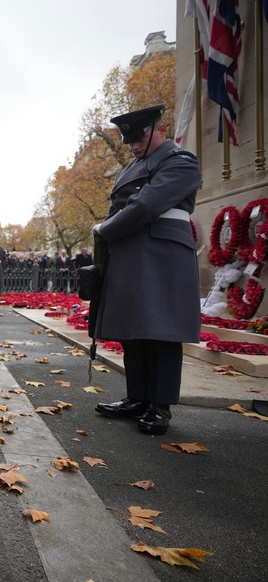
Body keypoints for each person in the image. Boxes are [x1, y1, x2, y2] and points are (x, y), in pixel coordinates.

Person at [94, 105, 200, 435]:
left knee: (161, 330)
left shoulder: (181, 161)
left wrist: (104, 229)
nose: (134, 146)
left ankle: (160, 404)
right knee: (134, 330)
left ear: (162, 130)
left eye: (139, 137)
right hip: (131, 249)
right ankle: (137, 397)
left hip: (162, 251)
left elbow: (147, 204)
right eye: (129, 140)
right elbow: (124, 204)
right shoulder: (133, 167)